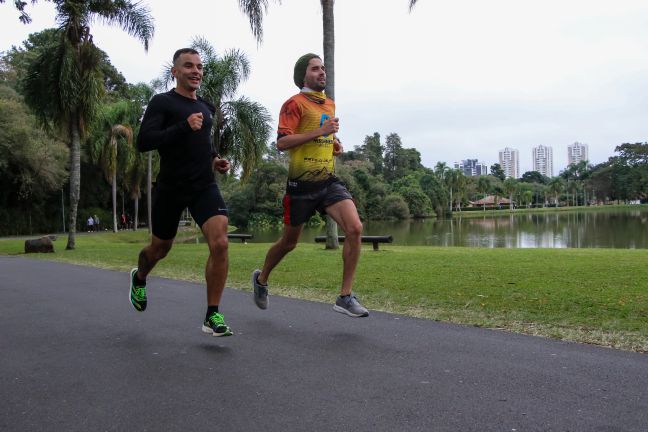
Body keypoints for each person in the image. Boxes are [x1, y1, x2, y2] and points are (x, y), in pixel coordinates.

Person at [251, 53, 368, 318]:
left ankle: (345, 296)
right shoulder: (293, 104)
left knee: (355, 228)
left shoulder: (329, 105)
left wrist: (333, 144)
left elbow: (325, 135)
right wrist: (320, 134)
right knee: (289, 243)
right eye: (315, 69)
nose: (322, 72)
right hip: (301, 186)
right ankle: (261, 279)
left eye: (323, 68)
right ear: (303, 75)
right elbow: (282, 143)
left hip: (328, 181)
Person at [129, 48, 233, 337]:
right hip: (171, 187)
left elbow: (203, 145)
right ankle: (139, 277)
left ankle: (212, 314)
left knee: (221, 242)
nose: (196, 71)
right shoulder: (162, 102)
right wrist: (183, 127)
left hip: (203, 185)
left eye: (199, 66)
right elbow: (145, 141)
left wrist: (216, 160)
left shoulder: (207, 107)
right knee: (160, 249)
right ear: (175, 72)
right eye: (188, 66)